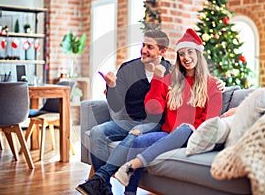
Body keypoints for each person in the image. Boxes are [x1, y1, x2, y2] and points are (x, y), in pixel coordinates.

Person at [76, 29, 224, 195]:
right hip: (133, 121)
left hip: (157, 124)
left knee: (139, 134)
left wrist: (159, 79)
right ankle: (103, 187)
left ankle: (101, 177)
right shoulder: (132, 69)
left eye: (150, 47)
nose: (144, 50)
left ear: (162, 51)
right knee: (97, 132)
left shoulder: (172, 72)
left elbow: (206, 118)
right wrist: (111, 87)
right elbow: (122, 106)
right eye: (143, 45)